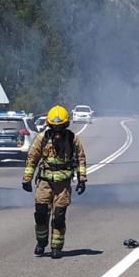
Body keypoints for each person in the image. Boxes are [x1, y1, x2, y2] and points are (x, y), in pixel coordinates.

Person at [21, 105, 87, 259]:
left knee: (59, 217)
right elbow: (32, 159)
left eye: (61, 127)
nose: (57, 132)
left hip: (63, 185)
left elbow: (81, 159)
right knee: (41, 215)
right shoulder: (42, 138)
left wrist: (82, 180)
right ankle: (41, 242)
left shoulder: (72, 139)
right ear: (49, 125)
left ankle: (56, 247)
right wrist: (27, 180)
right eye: (54, 128)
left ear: (66, 125)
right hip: (44, 183)